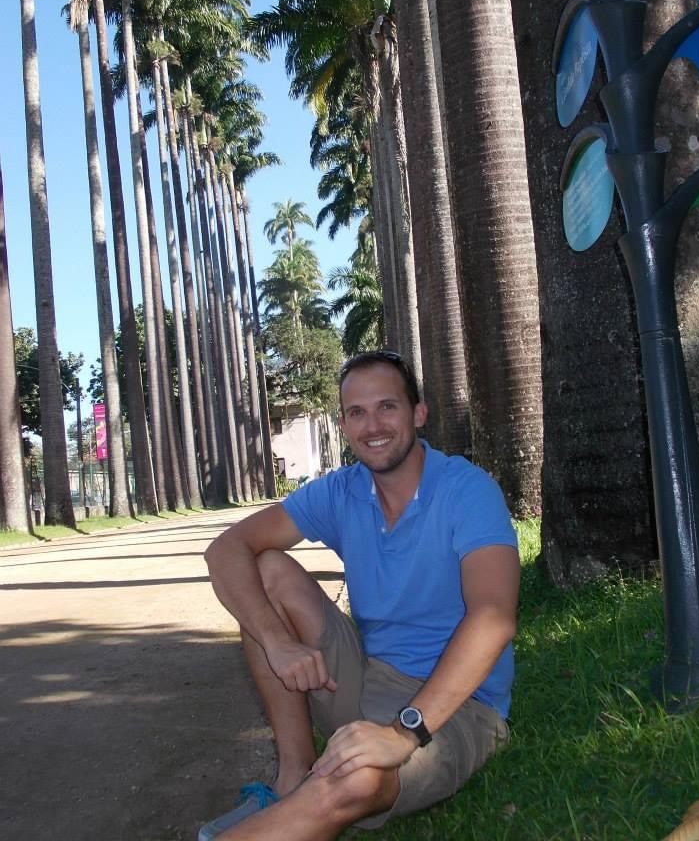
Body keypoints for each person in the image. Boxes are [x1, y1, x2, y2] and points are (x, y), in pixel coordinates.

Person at [199, 350, 520, 841]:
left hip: (460, 706)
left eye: (387, 407)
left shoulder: (466, 491)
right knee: (264, 569)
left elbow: (494, 617)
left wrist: (403, 732)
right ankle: (293, 777)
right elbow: (227, 550)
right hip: (368, 678)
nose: (373, 425)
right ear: (344, 425)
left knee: (358, 779)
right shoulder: (342, 491)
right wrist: (277, 642)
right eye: (357, 412)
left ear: (418, 413)